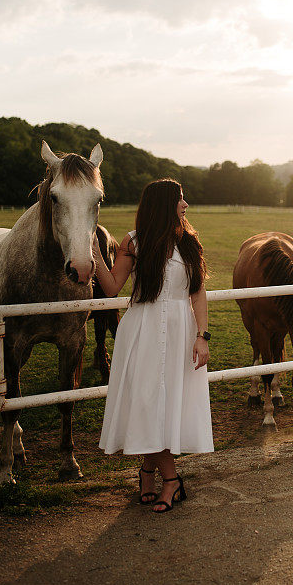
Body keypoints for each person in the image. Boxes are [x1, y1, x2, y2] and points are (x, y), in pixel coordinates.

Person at [92, 179, 213, 513]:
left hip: (180, 330)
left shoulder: (188, 242)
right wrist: (95, 254)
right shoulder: (134, 242)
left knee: (165, 403)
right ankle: (171, 480)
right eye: (180, 200)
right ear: (164, 204)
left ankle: (148, 471)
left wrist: (202, 336)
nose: (186, 205)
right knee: (146, 402)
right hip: (142, 329)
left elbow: (198, 292)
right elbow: (113, 287)